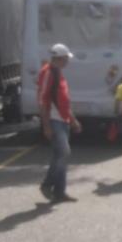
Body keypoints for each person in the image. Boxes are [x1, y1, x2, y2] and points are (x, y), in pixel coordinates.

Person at [38, 43, 82, 203]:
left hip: (63, 119)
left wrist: (73, 120)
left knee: (60, 156)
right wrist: (46, 126)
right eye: (66, 58)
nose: (68, 61)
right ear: (60, 58)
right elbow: (43, 100)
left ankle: (59, 192)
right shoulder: (48, 73)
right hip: (54, 120)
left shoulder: (58, 73)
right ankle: (47, 185)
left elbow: (63, 101)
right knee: (64, 153)